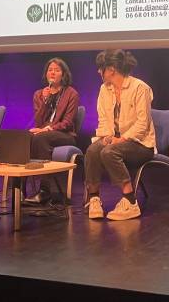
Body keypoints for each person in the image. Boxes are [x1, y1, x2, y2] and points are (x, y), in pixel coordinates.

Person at [84, 49, 156, 220]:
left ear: (111, 69)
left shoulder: (140, 88)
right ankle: (94, 198)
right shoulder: (104, 89)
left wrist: (121, 139)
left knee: (109, 152)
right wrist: (106, 137)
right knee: (93, 150)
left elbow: (142, 124)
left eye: (101, 68)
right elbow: (103, 119)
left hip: (140, 144)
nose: (98, 71)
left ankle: (130, 201)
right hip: (117, 140)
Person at [23, 57, 80, 205]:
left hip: (65, 134)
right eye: (50, 70)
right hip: (44, 131)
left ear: (63, 74)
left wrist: (50, 128)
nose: (52, 73)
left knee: (41, 138)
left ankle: (45, 190)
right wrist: (44, 100)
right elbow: (39, 121)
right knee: (23, 137)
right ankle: (20, 189)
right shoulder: (39, 94)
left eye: (57, 70)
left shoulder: (71, 93)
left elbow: (68, 123)